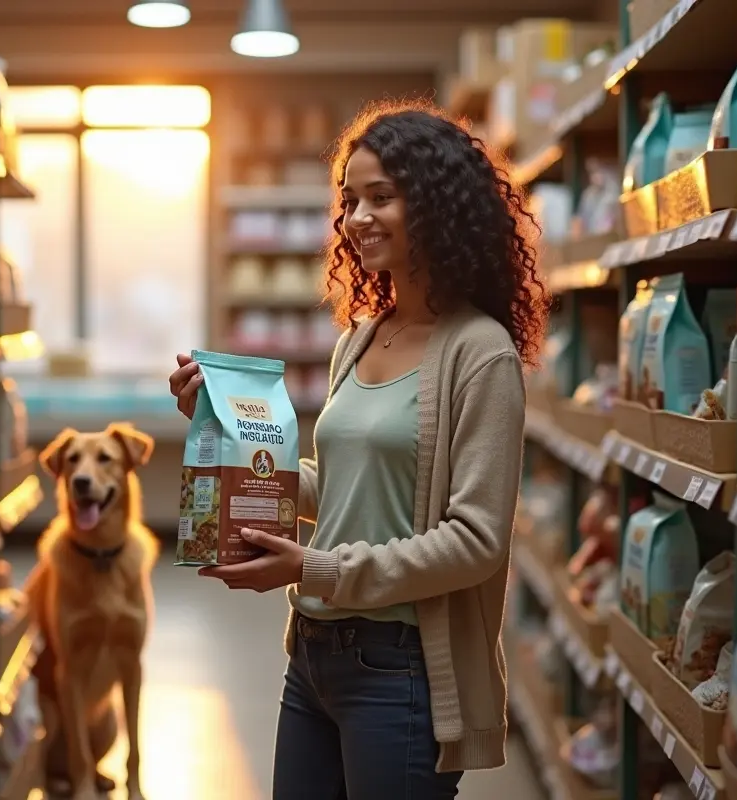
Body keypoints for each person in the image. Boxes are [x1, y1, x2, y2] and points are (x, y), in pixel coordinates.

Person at [168, 99, 549, 799]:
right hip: (312, 654)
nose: (356, 218)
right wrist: (217, 424)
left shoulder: (480, 354)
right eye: (349, 201)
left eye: (382, 197)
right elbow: (336, 486)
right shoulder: (360, 337)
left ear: (437, 206)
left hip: (400, 669)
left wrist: (314, 567)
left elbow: (476, 541)